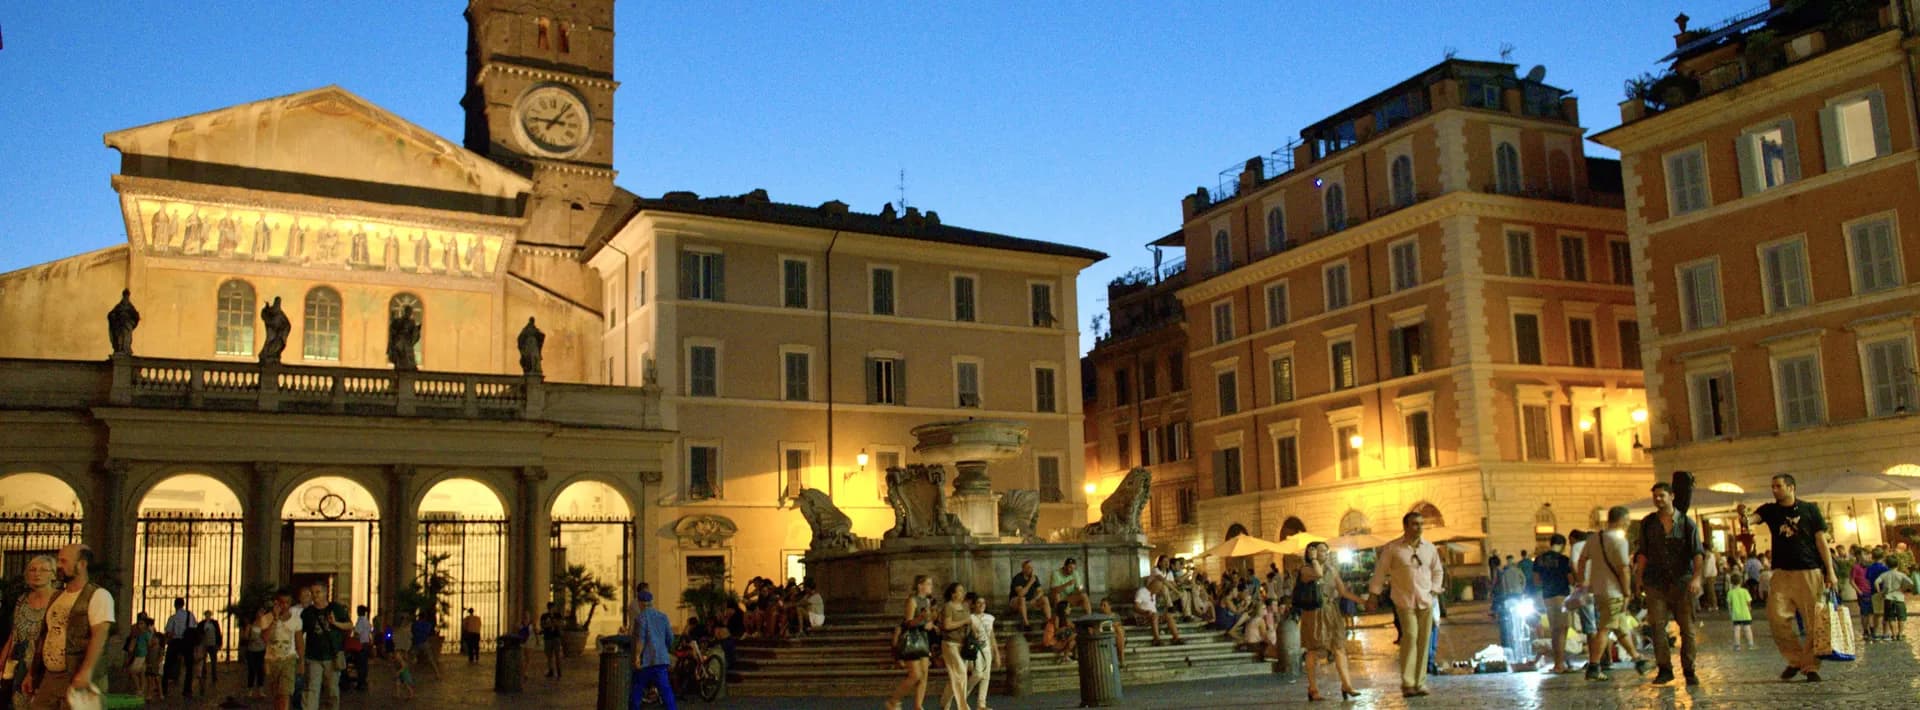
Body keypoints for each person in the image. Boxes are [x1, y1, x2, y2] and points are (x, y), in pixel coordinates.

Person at [1747, 474, 1835, 682]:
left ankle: (1811, 666)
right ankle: (1796, 659)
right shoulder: (1770, 510)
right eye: (1773, 486)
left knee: (1814, 622)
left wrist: (1830, 571)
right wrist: (1745, 517)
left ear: (1791, 487)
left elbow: (1821, 540)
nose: (1774, 490)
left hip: (1809, 570)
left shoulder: (1809, 509)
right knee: (1776, 618)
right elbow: (1753, 519)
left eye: (1778, 486)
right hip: (1781, 573)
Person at [23, 544, 114, 710]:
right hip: (51, 677)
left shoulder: (98, 596)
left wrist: (86, 671)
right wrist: (32, 673)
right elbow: (45, 636)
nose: (58, 565)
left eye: (64, 561)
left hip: (75, 675)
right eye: (59, 560)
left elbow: (99, 636)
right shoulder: (57, 596)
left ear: (82, 564)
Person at [1633, 481, 1705, 686]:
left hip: (1682, 582)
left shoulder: (1686, 523)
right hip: (1655, 582)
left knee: (1687, 628)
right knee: (1657, 626)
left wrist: (1697, 577)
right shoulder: (1648, 523)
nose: (1658, 499)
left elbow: (1698, 552)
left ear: (1671, 496)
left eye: (1661, 496)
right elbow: (1643, 553)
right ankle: (1665, 669)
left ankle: (1689, 670)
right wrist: (1639, 579)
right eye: (1655, 496)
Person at [1369, 511, 1443, 699]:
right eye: (1414, 524)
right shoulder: (1393, 548)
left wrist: (1434, 590)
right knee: (1410, 636)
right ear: (1405, 526)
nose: (1419, 527)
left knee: (1424, 640)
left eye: (1421, 524)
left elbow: (1437, 571)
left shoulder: (1429, 548)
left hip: (1425, 600)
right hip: (1404, 600)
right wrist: (1373, 595)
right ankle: (1408, 682)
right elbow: (1380, 572)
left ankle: (1420, 682)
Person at [1582, 506, 1651, 681]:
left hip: (1599, 590)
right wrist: (1627, 591)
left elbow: (1582, 560)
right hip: (1614, 592)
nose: (1628, 524)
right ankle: (1594, 665)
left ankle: (1638, 660)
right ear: (1620, 520)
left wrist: (1583, 581)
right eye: (1627, 521)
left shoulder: (1593, 539)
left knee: (1620, 628)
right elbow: (1623, 569)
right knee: (1605, 628)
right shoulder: (1619, 541)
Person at [1300, 541, 1366, 701]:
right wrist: (1314, 559)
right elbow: (1318, 574)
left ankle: (1347, 684)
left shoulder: (1332, 570)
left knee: (1339, 648)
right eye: (1322, 551)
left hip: (1331, 612)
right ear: (1312, 552)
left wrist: (1362, 601)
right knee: (1313, 650)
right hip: (1314, 613)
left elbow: (1342, 591)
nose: (1326, 554)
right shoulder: (1306, 570)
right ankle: (1313, 688)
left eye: (1327, 551)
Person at [2, 555, 55, 708]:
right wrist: (3, 660)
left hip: (45, 664)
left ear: (53, 574)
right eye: (32, 570)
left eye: (43, 570)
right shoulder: (22, 600)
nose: (37, 574)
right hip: (20, 663)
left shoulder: (58, 599)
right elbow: (15, 633)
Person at [885, 575, 936, 710]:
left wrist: (930, 623)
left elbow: (927, 620)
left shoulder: (927, 601)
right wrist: (921, 619)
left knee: (924, 675)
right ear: (920, 586)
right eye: (929, 584)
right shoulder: (912, 601)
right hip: (912, 639)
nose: (931, 587)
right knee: (915, 675)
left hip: (923, 638)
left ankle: (918, 705)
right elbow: (907, 623)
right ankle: (893, 700)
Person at [1532, 533, 1575, 673]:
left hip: (1547, 597)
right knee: (1562, 630)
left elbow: (1536, 580)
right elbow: (1571, 580)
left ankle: (1558, 664)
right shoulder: (1564, 559)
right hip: (1562, 597)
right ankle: (1559, 665)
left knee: (1555, 630)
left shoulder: (1539, 559)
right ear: (1563, 545)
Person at [629, 591, 676, 710]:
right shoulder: (663, 616)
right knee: (666, 690)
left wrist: (637, 658)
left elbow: (640, 640)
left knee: (637, 689)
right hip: (661, 660)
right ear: (651, 602)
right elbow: (670, 637)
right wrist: (665, 650)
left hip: (647, 661)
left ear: (640, 603)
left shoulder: (641, 618)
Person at [262, 591, 301, 710]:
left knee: (285, 693)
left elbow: (299, 641)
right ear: (276, 603)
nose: (284, 605)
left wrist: (301, 660)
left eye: (287, 602)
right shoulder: (266, 618)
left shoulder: (296, 620)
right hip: (272, 660)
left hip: (289, 659)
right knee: (276, 694)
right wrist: (275, 619)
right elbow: (265, 638)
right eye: (281, 603)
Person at [936, 583, 970, 710]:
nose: (963, 593)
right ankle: (963, 707)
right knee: (961, 673)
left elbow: (969, 622)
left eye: (963, 590)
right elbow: (947, 625)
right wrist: (964, 622)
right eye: (960, 591)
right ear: (953, 594)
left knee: (956, 676)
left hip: (963, 644)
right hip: (950, 644)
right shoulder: (948, 606)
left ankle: (944, 704)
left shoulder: (965, 606)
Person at [961, 594, 994, 710]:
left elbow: (991, 636)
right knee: (978, 674)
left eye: (983, 603)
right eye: (979, 603)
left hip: (986, 648)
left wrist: (994, 651)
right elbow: (967, 634)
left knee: (986, 676)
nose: (981, 605)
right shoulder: (971, 617)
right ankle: (962, 696)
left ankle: (981, 704)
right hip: (975, 649)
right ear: (974, 605)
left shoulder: (990, 618)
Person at [161, 596, 198, 698]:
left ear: (175, 605)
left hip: (176, 642)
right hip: (187, 642)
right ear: (183, 604)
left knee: (167, 665)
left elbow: (168, 631)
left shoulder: (173, 618)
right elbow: (194, 628)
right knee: (189, 667)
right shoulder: (190, 615)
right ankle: (187, 690)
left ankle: (164, 688)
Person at [1132, 577, 1182, 645]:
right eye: (1158, 589)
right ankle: (1156, 639)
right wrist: (1145, 612)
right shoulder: (1141, 592)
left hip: (1154, 617)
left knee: (1168, 615)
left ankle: (1176, 638)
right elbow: (1135, 607)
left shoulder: (1154, 594)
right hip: (1143, 617)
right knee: (1155, 615)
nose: (1159, 591)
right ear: (1154, 587)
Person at [1875, 557, 1913, 641]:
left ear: (1887, 565)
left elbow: (1876, 582)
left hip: (1888, 598)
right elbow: (1911, 582)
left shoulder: (1884, 574)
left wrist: (1880, 593)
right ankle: (1900, 633)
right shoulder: (1901, 574)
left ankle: (1893, 634)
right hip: (1899, 598)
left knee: (1890, 617)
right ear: (1897, 564)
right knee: (1901, 617)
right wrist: (1903, 588)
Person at [122, 614, 155, 700]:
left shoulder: (146, 634)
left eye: (142, 624)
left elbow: (149, 645)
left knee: (133, 671)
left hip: (142, 656)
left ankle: (139, 689)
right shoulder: (138, 634)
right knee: (141, 674)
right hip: (138, 655)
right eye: (139, 624)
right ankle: (140, 690)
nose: (140, 625)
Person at [1008, 560, 1047, 629]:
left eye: (1031, 568)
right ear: (1023, 568)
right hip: (1015, 602)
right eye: (1028, 567)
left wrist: (1035, 599)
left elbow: (1041, 591)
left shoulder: (1034, 577)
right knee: (1022, 599)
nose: (1030, 569)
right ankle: (1026, 624)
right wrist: (1030, 582)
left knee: (1045, 599)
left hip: (1029, 602)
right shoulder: (1017, 578)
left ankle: (1048, 621)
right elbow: (1021, 594)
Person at [243, 605, 268, 699]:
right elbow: (245, 637)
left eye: (263, 612)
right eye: (260, 612)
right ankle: (250, 689)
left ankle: (260, 689)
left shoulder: (265, 625)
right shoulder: (251, 625)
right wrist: (250, 639)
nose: (261, 614)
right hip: (251, 650)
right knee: (252, 670)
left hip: (261, 650)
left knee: (261, 670)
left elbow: (268, 637)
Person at [388, 612, 415, 700]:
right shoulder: (399, 630)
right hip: (400, 650)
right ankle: (398, 693)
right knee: (399, 679)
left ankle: (409, 693)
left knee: (404, 679)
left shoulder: (406, 629)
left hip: (402, 651)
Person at [196, 609, 222, 689]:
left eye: (209, 614)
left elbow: (218, 633)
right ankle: (204, 675)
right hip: (204, 644)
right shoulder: (201, 624)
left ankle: (214, 677)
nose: (208, 616)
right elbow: (198, 634)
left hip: (213, 644)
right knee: (203, 661)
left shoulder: (215, 623)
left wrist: (219, 644)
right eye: (207, 614)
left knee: (213, 661)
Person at [349, 605, 373, 691]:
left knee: (360, 664)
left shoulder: (360, 621)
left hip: (360, 645)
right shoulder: (366, 621)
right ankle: (363, 681)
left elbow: (357, 633)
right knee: (364, 664)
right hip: (366, 644)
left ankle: (360, 682)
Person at [1727, 579, 1756, 650]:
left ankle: (1737, 646)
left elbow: (1729, 604)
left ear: (1731, 583)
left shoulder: (1730, 592)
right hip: (1745, 613)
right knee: (1747, 629)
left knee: (1736, 629)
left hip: (1736, 614)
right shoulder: (1745, 591)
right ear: (1740, 582)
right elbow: (1749, 601)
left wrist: (1730, 612)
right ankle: (1751, 644)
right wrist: (1749, 608)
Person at [540, 604, 564, 679]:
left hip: (556, 637)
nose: (551, 609)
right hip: (548, 637)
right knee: (549, 656)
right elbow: (543, 625)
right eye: (550, 608)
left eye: (553, 608)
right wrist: (551, 624)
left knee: (557, 655)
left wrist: (551, 623)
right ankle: (551, 670)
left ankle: (559, 672)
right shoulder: (544, 616)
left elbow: (560, 624)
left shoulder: (557, 615)